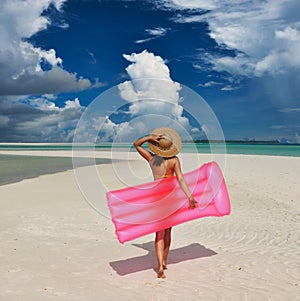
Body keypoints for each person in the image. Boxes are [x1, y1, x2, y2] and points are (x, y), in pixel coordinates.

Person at [133, 127, 197, 279]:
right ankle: (164, 262)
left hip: (156, 199)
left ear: (157, 146)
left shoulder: (153, 159)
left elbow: (136, 144)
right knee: (168, 231)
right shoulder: (174, 160)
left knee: (159, 233)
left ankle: (160, 266)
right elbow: (180, 178)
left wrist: (149, 137)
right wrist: (190, 196)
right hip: (171, 199)